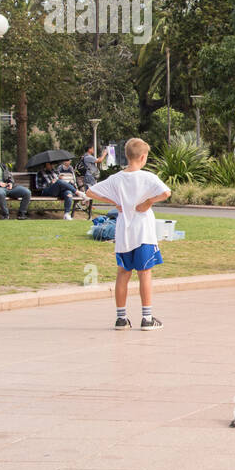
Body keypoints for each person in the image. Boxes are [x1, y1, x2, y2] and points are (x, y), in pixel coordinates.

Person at [86, 137, 171, 331]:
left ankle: (121, 318)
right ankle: (147, 317)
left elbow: (90, 192)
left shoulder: (116, 178)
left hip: (124, 232)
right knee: (145, 272)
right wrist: (148, 202)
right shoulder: (148, 177)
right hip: (143, 232)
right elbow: (166, 192)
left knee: (123, 273)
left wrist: (114, 202)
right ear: (143, 157)